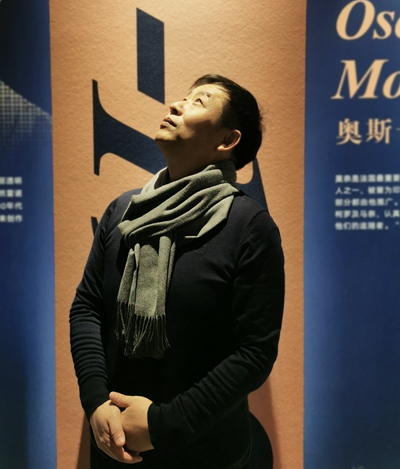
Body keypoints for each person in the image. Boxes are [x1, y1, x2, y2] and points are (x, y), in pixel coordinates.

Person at [70, 74, 285, 469]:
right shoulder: (123, 212)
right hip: (116, 445)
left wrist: (161, 424)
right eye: (184, 97)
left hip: (204, 452)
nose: (176, 105)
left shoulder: (249, 226)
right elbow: (87, 308)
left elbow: (254, 352)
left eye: (199, 101)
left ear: (227, 140)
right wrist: (96, 402)